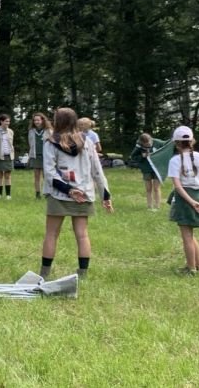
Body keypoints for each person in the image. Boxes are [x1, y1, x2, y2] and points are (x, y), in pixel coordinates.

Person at [39, 108, 113, 279]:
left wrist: (68, 190)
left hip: (59, 194)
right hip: (84, 193)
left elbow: (49, 173)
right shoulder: (87, 142)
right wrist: (105, 195)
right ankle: (83, 274)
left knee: (51, 234)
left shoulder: (50, 143)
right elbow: (97, 171)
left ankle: (44, 273)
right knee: (82, 234)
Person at [167, 126, 199, 275]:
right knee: (191, 235)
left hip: (185, 197)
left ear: (177, 143)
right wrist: (196, 200)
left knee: (186, 236)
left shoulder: (175, 160)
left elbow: (178, 186)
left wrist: (191, 202)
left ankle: (191, 268)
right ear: (192, 141)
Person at [131, 133, 167, 211]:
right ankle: (149, 206)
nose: (148, 145)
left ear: (151, 140)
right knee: (148, 188)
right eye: (146, 145)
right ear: (142, 143)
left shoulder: (158, 142)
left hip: (157, 168)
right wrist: (142, 156)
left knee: (156, 188)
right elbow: (133, 157)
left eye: (149, 144)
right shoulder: (138, 146)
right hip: (146, 169)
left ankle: (157, 206)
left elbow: (167, 146)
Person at [27, 113, 52, 199]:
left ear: (42, 120)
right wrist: (30, 156)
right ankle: (37, 194)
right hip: (35, 156)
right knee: (37, 176)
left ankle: (47, 193)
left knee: (46, 176)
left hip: (46, 156)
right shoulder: (31, 131)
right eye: (35, 120)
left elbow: (52, 143)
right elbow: (30, 144)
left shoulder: (48, 130)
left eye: (38, 120)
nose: (36, 122)